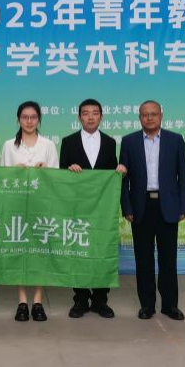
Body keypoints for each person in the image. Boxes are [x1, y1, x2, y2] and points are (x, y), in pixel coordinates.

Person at [119, 100, 185, 321]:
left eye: (153, 114)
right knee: (143, 259)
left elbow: (183, 176)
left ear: (161, 116)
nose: (149, 118)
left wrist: (183, 206)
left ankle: (170, 305)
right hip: (141, 207)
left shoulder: (175, 140)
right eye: (145, 114)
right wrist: (127, 207)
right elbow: (123, 179)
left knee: (168, 259)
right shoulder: (129, 141)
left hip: (168, 206)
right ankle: (147, 305)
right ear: (139, 117)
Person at [59, 99, 127, 319]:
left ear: (101, 117)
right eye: (86, 113)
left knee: (101, 250)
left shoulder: (109, 142)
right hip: (76, 208)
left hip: (101, 210)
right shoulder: (68, 142)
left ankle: (100, 300)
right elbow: (60, 175)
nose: (90, 117)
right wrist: (69, 169)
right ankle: (80, 299)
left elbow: (111, 174)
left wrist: (119, 170)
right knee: (78, 250)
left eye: (95, 113)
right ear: (79, 117)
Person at [1, 101, 59, 322]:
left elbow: (56, 177)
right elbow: (2, 178)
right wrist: (14, 172)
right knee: (19, 249)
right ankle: (22, 301)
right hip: (16, 205)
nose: (29, 121)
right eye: (24, 117)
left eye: (33, 117)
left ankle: (38, 301)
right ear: (18, 120)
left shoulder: (48, 145)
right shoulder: (9, 145)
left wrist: (45, 172)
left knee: (40, 250)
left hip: (41, 205)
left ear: (39, 119)